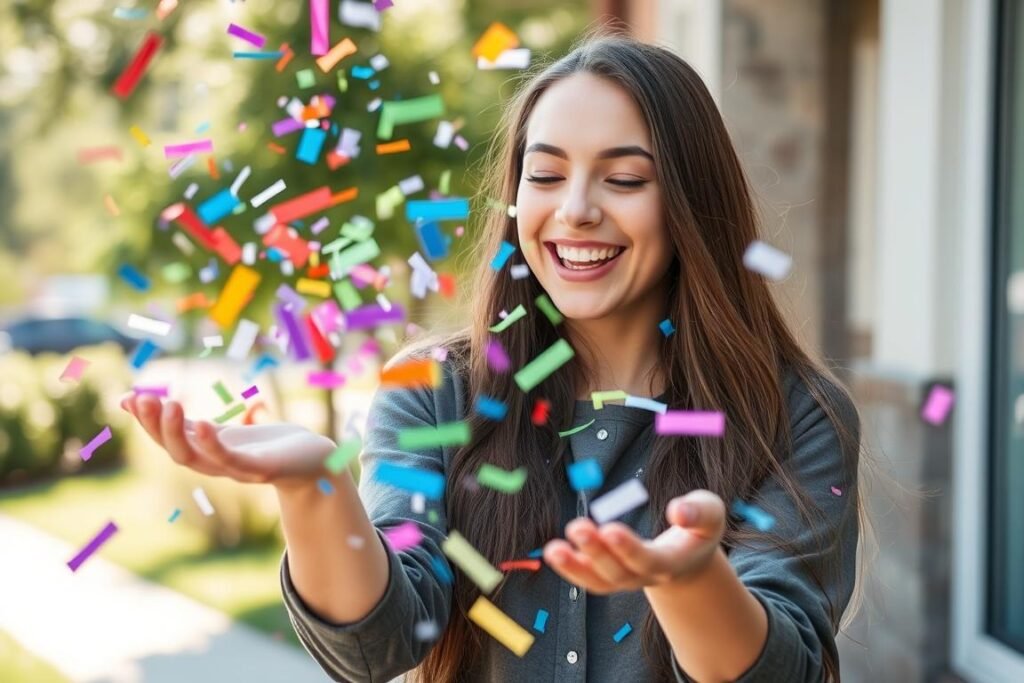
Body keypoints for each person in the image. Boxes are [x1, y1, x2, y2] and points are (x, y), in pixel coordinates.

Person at [122, 32, 862, 683]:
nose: (575, 208)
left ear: (692, 203)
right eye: (544, 175)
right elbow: (377, 645)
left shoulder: (796, 414)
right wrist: (313, 485)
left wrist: (691, 579)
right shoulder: (435, 390)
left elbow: (785, 667)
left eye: (625, 178)